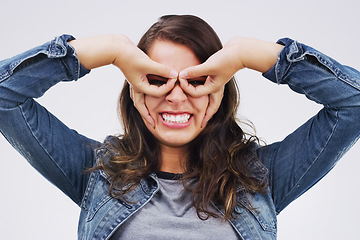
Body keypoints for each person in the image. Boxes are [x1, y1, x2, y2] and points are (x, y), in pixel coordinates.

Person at [0, 14, 359, 240]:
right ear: (135, 90)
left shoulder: (260, 177)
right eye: (157, 80)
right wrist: (111, 49)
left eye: (196, 80)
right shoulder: (98, 172)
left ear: (217, 91)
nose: (175, 98)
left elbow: (353, 104)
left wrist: (245, 54)